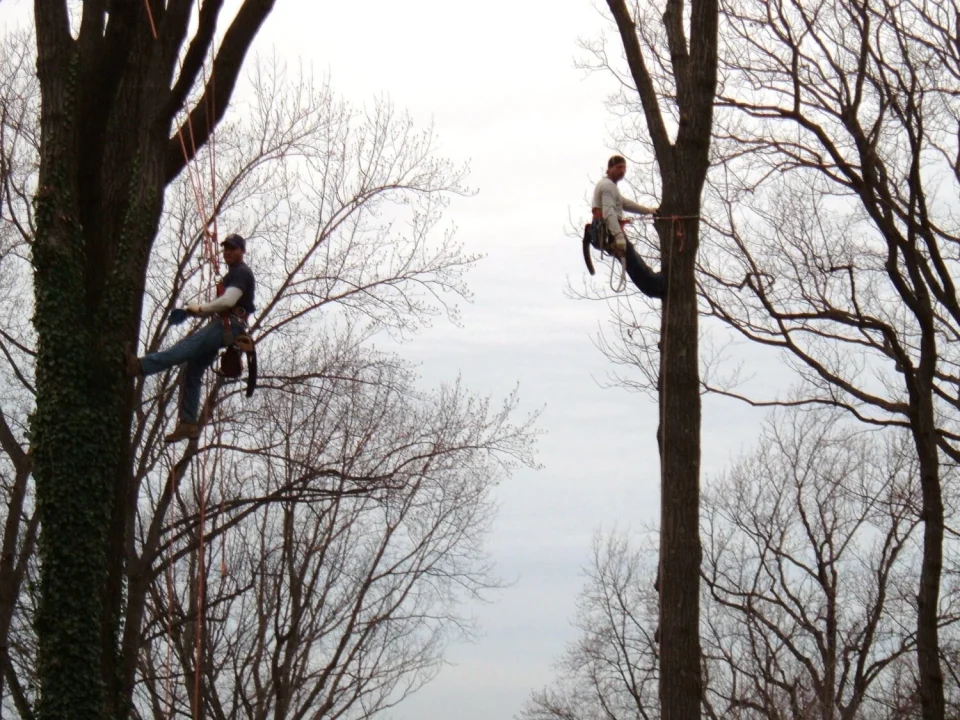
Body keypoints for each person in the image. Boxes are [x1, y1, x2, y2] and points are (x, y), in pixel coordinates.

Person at [126, 233, 256, 443]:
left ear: (242, 251)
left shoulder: (241, 272)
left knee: (184, 349)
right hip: (228, 326)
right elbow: (223, 305)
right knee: (193, 370)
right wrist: (189, 312)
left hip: (229, 326)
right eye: (226, 249)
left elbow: (227, 301)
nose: (228, 252)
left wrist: (201, 308)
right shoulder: (232, 274)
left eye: (233, 248)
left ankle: (140, 366)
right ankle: (188, 423)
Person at [592, 155, 666, 298]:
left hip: (606, 232)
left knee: (632, 265)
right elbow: (608, 212)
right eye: (618, 167)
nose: (622, 171)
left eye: (624, 168)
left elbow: (625, 203)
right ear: (609, 169)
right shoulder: (608, 186)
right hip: (610, 231)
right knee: (634, 263)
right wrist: (619, 237)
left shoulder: (610, 187)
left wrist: (648, 211)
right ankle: (657, 285)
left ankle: (655, 288)